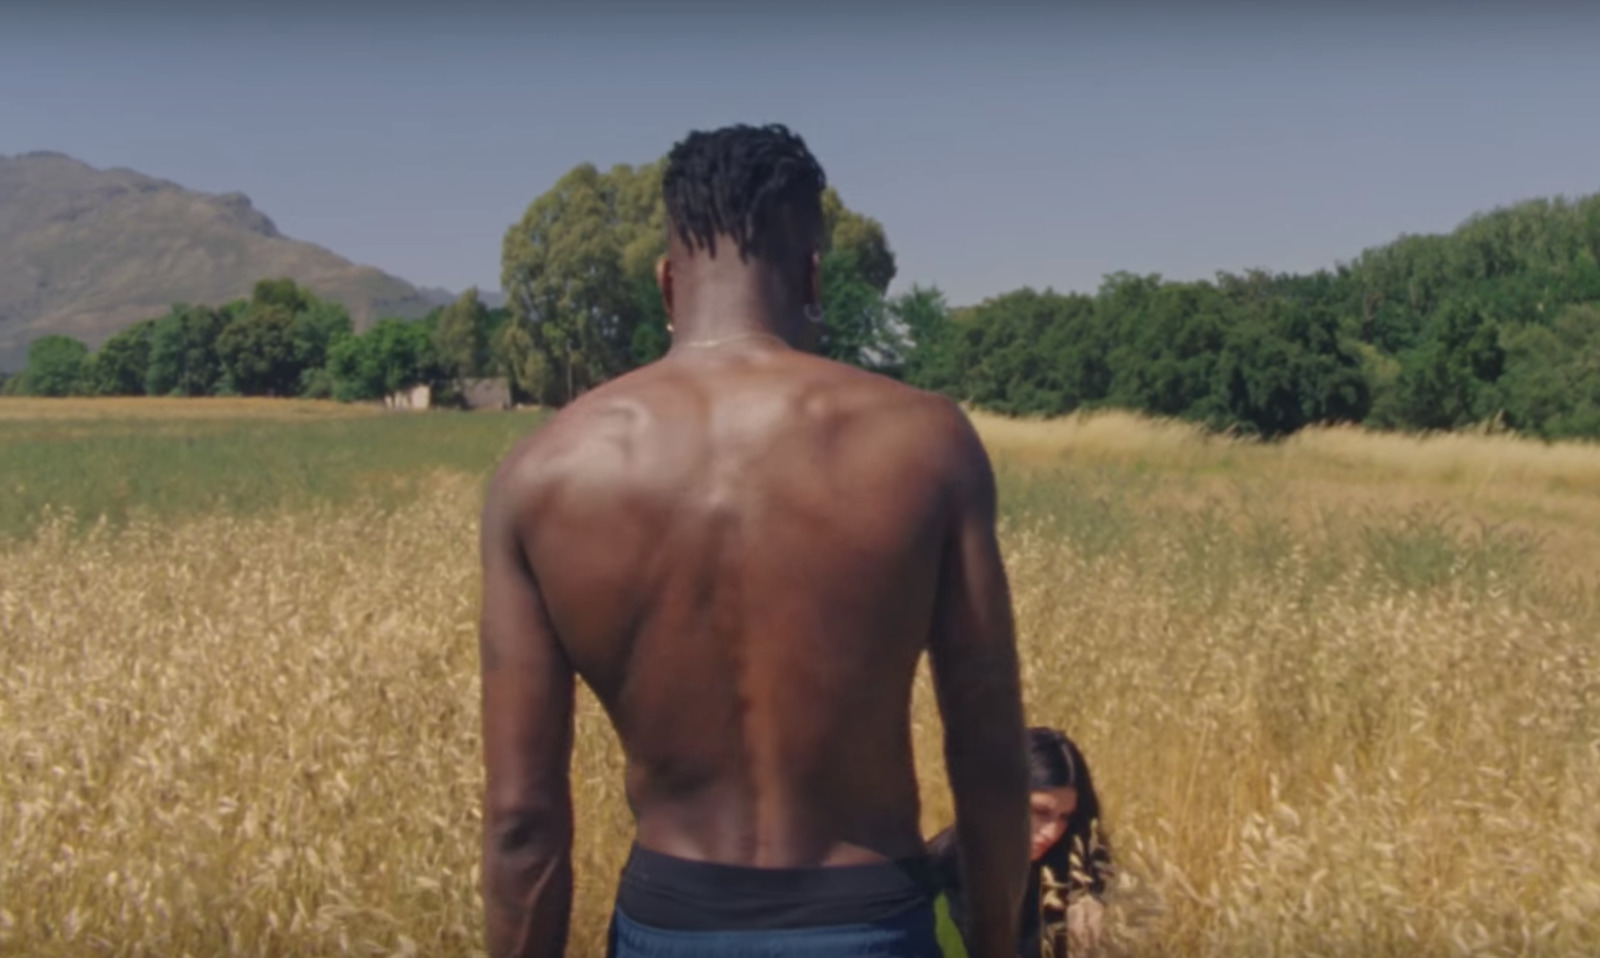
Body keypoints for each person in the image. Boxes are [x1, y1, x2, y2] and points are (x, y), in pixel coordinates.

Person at [477, 123, 1032, 958]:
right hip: (869, 921)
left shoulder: (542, 474)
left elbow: (523, 824)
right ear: (813, 275)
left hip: (671, 923)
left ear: (667, 285)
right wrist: (1000, 947)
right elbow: (989, 757)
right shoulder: (927, 444)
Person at [928, 728, 1112, 957]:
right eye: (1040, 811)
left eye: (1065, 817)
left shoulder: (1069, 872)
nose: (1052, 832)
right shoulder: (935, 875)